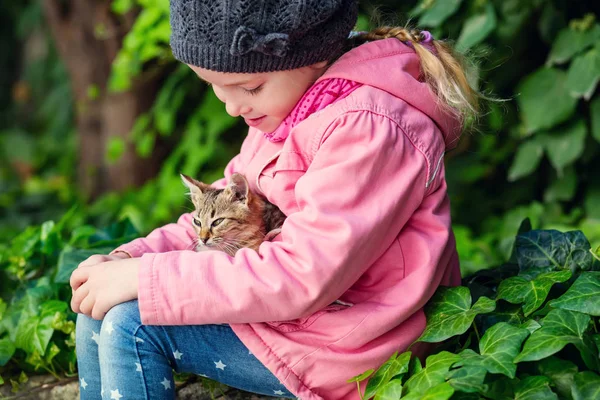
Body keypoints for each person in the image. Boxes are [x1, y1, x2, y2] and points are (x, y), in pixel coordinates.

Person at [70, 0, 480, 399]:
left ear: (313, 58)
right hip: (292, 320)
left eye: (248, 87)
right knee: (98, 311)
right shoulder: (290, 108)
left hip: (352, 346)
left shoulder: (369, 128)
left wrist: (148, 279)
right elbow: (222, 208)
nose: (232, 106)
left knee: (131, 324)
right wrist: (131, 261)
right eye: (213, 87)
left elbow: (304, 274)